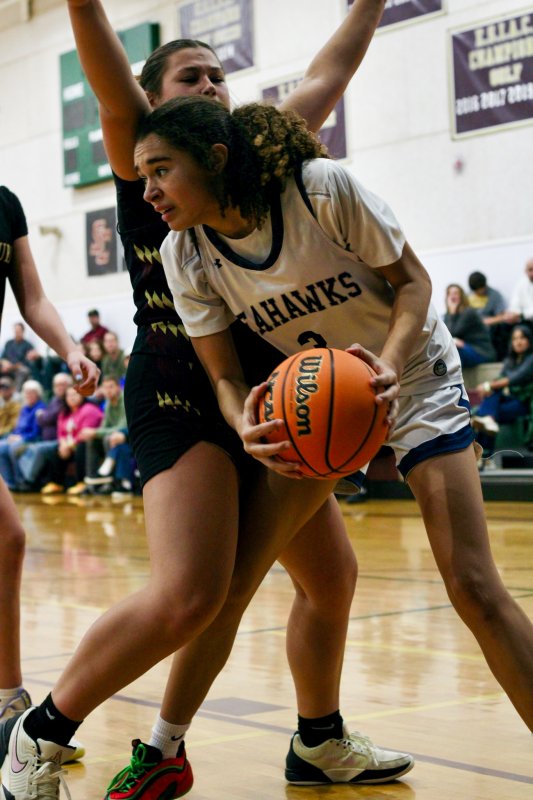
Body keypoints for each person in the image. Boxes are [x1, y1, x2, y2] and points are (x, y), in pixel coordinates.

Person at [0, 3, 415, 799]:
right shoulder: (148, 164)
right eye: (192, 76)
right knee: (190, 594)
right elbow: (110, 83)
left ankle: (318, 740)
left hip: (274, 393)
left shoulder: (252, 159)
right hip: (180, 385)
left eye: (220, 75)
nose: (214, 85)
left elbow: (329, 72)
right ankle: (40, 734)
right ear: (156, 105)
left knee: (330, 581)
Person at [139, 96, 533, 738]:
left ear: (214, 159)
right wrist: (243, 423)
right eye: (143, 176)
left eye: (161, 170)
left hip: (414, 375)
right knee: (235, 581)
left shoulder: (317, 191)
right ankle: (164, 749)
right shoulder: (184, 255)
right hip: (320, 403)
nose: (149, 191)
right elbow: (226, 377)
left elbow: (414, 283)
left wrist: (389, 364)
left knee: (472, 585)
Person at [0, 185, 97, 753]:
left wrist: (70, 349)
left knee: (7, 539)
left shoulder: (6, 204)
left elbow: (31, 298)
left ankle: (7, 702)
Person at [472, 324, 533, 458]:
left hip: (523, 403)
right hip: (509, 400)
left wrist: (487, 386)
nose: (518, 342)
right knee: (490, 407)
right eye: (515, 338)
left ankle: (484, 455)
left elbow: (515, 378)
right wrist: (490, 387)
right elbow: (499, 379)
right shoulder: (509, 360)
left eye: (522, 338)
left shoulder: (531, 359)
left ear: (529, 340)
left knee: (483, 414)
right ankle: (489, 422)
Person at [40, 386, 104, 496]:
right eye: (69, 395)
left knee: (82, 447)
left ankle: (81, 483)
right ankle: (56, 483)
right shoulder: (64, 413)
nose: (72, 397)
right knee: (54, 449)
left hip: (88, 443)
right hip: (70, 446)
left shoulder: (90, 409)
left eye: (75, 394)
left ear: (82, 396)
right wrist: (63, 444)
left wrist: (69, 445)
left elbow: (85, 433)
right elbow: (60, 433)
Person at [15, 373, 73, 490]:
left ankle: (29, 481)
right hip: (45, 438)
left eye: (62, 384)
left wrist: (43, 416)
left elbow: (47, 418)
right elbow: (43, 419)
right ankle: (20, 480)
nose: (59, 387)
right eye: (57, 385)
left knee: (35, 448)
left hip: (57, 439)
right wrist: (43, 417)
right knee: (19, 449)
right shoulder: (54, 400)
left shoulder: (66, 401)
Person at [81, 374, 134, 496]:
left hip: (129, 436)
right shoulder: (108, 403)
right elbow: (104, 427)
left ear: (118, 387)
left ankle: (111, 481)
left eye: (111, 387)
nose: (108, 390)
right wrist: (94, 433)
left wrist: (95, 432)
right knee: (92, 440)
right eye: (105, 387)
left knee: (108, 438)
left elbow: (123, 427)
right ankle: (93, 481)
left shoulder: (125, 400)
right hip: (115, 437)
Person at [0, 380, 46, 489]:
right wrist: (13, 435)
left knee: (14, 448)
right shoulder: (24, 408)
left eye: (31, 393)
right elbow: (18, 428)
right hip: (19, 437)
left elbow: (36, 432)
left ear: (38, 394)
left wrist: (20, 437)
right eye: (26, 393)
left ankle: (21, 481)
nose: (28, 395)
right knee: (1, 447)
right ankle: (9, 482)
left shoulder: (40, 408)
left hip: (33, 438)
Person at [443, 284, 496, 367]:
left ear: (461, 296)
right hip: (466, 348)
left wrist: (452, 313)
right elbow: (445, 336)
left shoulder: (468, 312)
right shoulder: (448, 315)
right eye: (449, 294)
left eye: (455, 293)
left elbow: (452, 333)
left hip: (481, 351)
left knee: (455, 353)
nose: (452, 296)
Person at [0, 322, 34, 389]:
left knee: (23, 371)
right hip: (6, 367)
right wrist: (4, 363)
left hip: (18, 368)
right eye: (15, 331)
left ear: (23, 331)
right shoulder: (9, 343)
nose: (17, 333)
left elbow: (26, 362)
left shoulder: (28, 345)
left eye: (18, 331)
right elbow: (2, 357)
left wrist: (12, 366)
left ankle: (16, 392)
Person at [506, 258, 533, 333]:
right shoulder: (521, 283)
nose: (532, 273)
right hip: (525, 320)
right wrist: (513, 314)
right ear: (525, 271)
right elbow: (514, 303)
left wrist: (521, 315)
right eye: (530, 270)